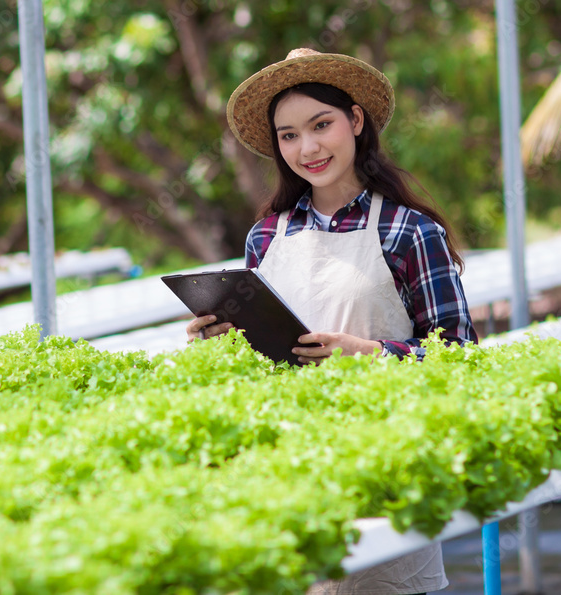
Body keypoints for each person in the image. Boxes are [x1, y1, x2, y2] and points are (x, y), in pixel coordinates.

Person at [185, 48, 479, 593]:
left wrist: (369, 354)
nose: (308, 147)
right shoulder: (267, 236)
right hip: (287, 472)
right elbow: (256, 363)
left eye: (321, 125)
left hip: (384, 467)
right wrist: (219, 340)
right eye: (289, 135)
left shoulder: (409, 231)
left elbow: (461, 358)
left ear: (356, 120)